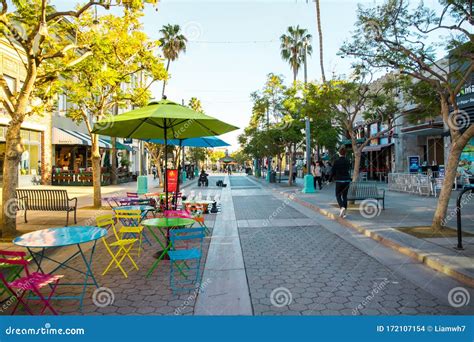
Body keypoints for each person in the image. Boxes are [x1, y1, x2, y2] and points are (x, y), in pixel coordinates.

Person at [331, 147, 351, 218]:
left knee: (338, 195)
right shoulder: (348, 161)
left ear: (339, 153)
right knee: (345, 196)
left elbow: (333, 171)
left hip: (339, 180)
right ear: (345, 153)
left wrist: (329, 180)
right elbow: (349, 169)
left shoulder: (336, 161)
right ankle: (344, 213)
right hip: (347, 180)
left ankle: (342, 207)